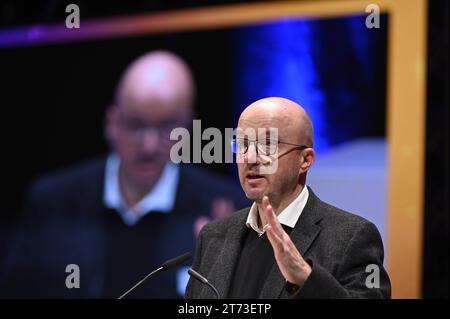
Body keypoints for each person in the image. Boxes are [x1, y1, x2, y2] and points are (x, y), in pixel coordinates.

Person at [0, 50, 249, 298]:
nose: (149, 146)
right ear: (112, 123)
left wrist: (225, 280)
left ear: (187, 127)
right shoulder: (53, 202)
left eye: (167, 127)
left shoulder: (223, 209)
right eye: (136, 125)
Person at [185, 97, 391, 299]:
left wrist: (305, 277)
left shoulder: (352, 237)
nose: (249, 157)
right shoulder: (213, 235)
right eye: (243, 144)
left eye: (267, 144)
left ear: (305, 160)